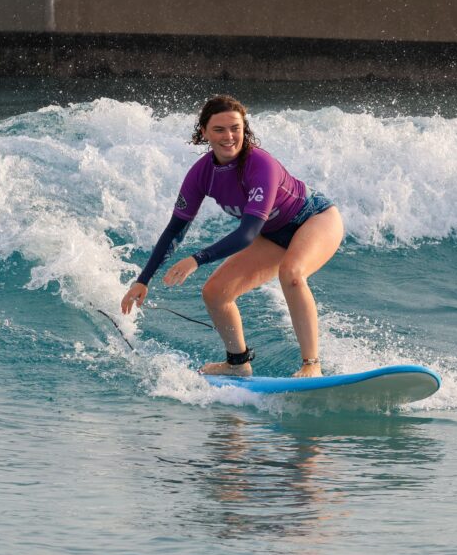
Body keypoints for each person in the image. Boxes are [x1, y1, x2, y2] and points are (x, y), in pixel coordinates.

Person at [120, 95, 344, 378]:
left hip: (314, 219)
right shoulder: (202, 174)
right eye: (219, 129)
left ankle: (312, 365)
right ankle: (237, 364)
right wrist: (143, 279)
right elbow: (175, 229)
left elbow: (247, 234)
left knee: (292, 273)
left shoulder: (260, 165)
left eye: (235, 128)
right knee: (215, 292)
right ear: (204, 132)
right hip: (273, 234)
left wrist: (197, 259)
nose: (229, 136)